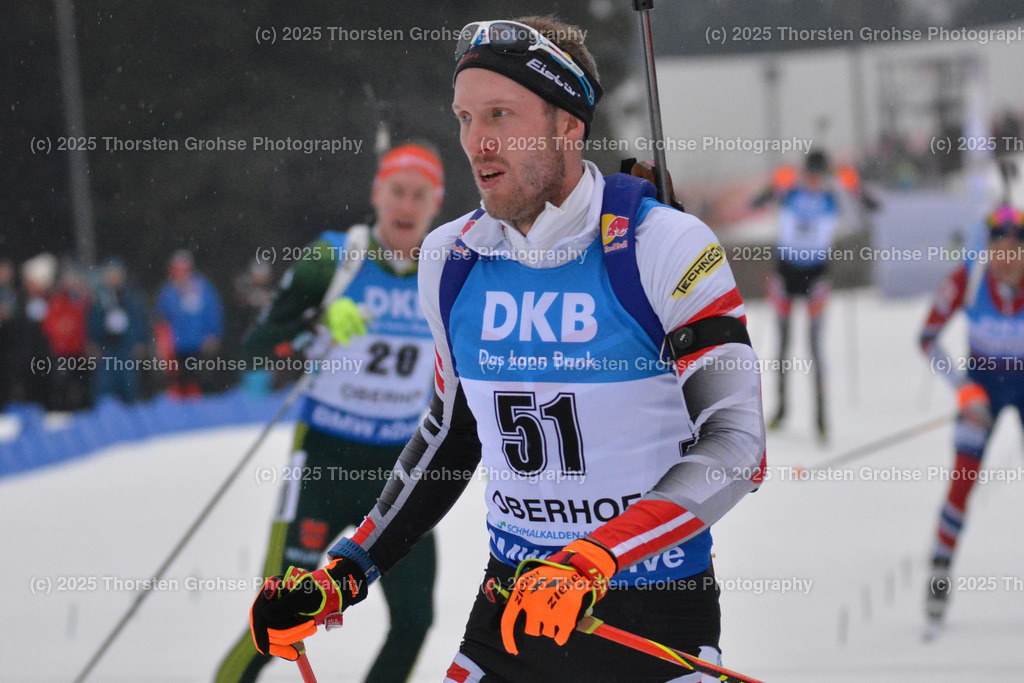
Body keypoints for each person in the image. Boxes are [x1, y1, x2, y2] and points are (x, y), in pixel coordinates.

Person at [247, 17, 766, 682]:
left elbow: (737, 445)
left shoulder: (661, 244)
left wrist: (592, 559)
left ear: (568, 125)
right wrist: (346, 572)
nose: (477, 141)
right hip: (509, 619)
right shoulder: (451, 258)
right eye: (465, 118)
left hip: (648, 617)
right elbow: (450, 434)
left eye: (500, 114)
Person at [215, 142, 446, 683]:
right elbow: (255, 348)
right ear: (376, 193)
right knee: (278, 620)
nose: (406, 206)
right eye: (397, 191)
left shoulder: (447, 268)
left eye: (420, 195)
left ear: (437, 204)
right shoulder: (333, 259)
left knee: (414, 620)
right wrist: (316, 323)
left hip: (399, 469)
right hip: (323, 460)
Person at [919, 204, 1024, 635]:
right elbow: (927, 339)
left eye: (1015, 250)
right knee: (962, 480)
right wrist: (963, 388)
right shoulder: (970, 277)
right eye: (999, 249)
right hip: (983, 384)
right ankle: (939, 573)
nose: (1006, 261)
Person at [754, 150, 840, 440]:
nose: (814, 180)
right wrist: (773, 186)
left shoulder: (831, 197)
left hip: (816, 275)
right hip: (786, 273)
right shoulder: (789, 192)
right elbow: (756, 203)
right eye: (811, 174)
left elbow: (869, 209)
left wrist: (854, 187)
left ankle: (821, 418)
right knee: (783, 345)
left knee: (815, 347)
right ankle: (781, 409)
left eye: (819, 175)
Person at [155, 249, 224, 397]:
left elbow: (213, 312)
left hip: (198, 343)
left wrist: (213, 334)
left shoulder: (203, 288)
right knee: (178, 380)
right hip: (176, 345)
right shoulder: (168, 291)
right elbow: (162, 319)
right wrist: (163, 344)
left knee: (199, 378)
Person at [88, 258, 150, 403]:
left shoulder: (131, 297)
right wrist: (92, 343)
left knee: (129, 384)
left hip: (126, 347)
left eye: (116, 274)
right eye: (110, 274)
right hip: (106, 348)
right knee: (104, 386)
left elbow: (139, 321)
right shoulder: (99, 298)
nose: (113, 278)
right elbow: (92, 322)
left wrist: (140, 342)